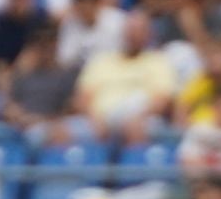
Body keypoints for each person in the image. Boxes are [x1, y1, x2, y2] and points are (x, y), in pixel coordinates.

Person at [74, 9, 177, 146]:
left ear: (149, 34)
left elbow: (163, 100)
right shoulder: (101, 61)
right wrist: (95, 119)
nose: (132, 34)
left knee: (133, 129)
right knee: (59, 132)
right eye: (130, 29)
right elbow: (82, 98)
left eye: (138, 30)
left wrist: (137, 117)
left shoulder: (158, 61)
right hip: (98, 119)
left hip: (142, 118)